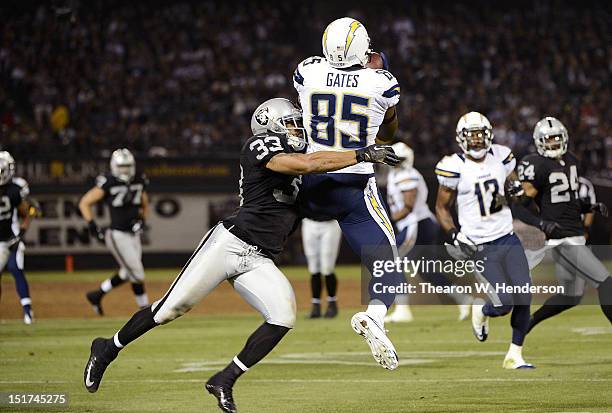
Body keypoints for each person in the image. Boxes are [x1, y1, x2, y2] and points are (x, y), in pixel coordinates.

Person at [83, 98, 400, 413]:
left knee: (283, 316)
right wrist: (360, 155)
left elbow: (319, 172)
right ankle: (108, 348)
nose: (297, 127)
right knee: (170, 309)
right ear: (270, 127)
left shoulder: (303, 153)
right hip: (230, 243)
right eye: (289, 122)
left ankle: (225, 379)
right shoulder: (258, 146)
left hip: (260, 258)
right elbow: (305, 165)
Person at [293, 17, 402, 370]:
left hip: (311, 178)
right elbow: (388, 126)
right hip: (353, 184)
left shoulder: (307, 72)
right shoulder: (381, 82)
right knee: (387, 262)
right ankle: (375, 315)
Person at [435, 112, 534, 369]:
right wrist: (455, 235)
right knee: (504, 303)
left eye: (481, 134)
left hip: (507, 237)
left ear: (489, 134)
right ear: (461, 138)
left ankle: (515, 354)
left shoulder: (502, 156)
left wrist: (517, 192)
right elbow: (442, 208)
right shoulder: (453, 166)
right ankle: (483, 310)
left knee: (524, 295)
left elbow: (513, 190)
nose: (477, 140)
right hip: (479, 245)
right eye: (472, 135)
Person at [512, 117, 611, 332]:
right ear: (539, 141)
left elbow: (568, 199)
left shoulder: (572, 160)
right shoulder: (535, 164)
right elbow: (518, 207)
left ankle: (526, 324)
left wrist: (588, 207)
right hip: (562, 238)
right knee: (606, 284)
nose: (553, 143)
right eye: (548, 139)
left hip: (574, 233)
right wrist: (541, 223)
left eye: (556, 138)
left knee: (571, 296)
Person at [385, 143, 473, 323]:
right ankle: (463, 298)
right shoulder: (396, 173)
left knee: (392, 259)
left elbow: (408, 206)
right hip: (418, 224)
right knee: (427, 271)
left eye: (399, 159)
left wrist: (388, 219)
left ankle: (402, 310)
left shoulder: (407, 174)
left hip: (416, 223)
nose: (396, 162)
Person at [79, 149, 150, 315]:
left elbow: (145, 203)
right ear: (114, 166)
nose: (125, 170)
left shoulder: (139, 178)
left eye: (128, 166)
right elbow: (85, 202)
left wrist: (142, 221)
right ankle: (145, 311)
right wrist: (92, 225)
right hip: (118, 234)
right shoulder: (108, 182)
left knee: (128, 272)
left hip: (133, 234)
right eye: (122, 166)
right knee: (137, 273)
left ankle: (96, 295)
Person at [0, 151, 35, 324]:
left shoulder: (16, 188)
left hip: (11, 237)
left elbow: (29, 210)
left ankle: (28, 312)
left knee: (15, 268)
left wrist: (21, 232)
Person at [301, 216, 342, 318]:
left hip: (330, 223)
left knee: (327, 268)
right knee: (313, 268)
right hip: (309, 222)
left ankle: (332, 304)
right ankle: (316, 306)